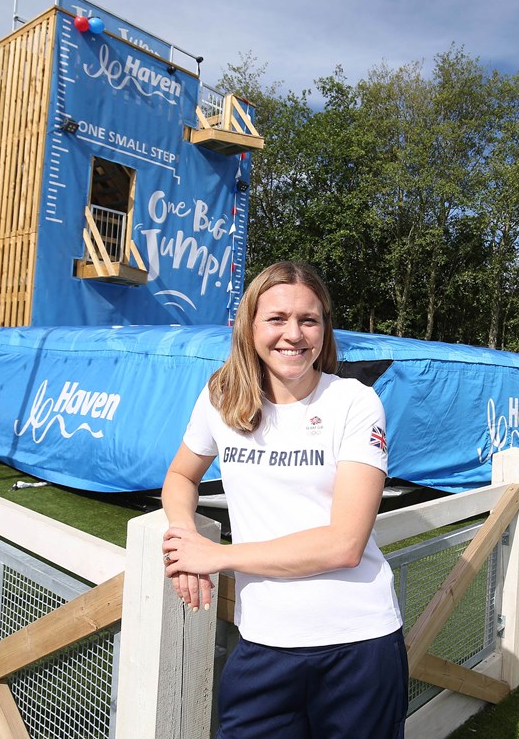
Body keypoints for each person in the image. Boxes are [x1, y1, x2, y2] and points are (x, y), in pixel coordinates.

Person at [161, 261, 406, 738]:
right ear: (249, 324)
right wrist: (184, 537)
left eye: (308, 320)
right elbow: (179, 476)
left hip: (356, 644)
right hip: (264, 643)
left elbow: (344, 545)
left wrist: (215, 557)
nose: (293, 334)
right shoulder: (220, 398)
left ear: (324, 328)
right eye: (276, 319)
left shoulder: (354, 402)